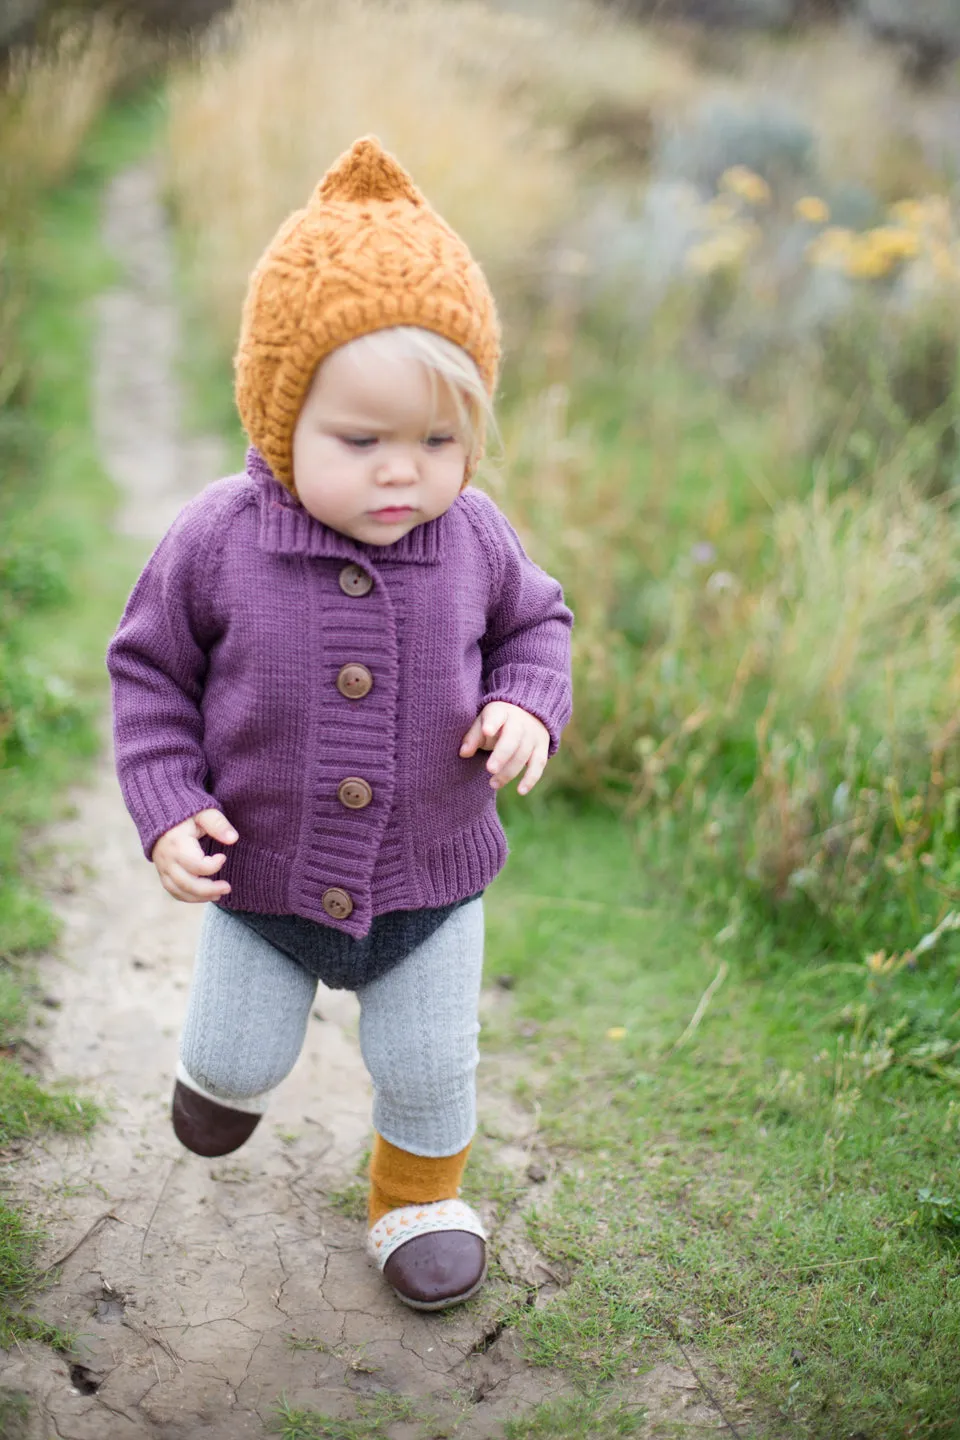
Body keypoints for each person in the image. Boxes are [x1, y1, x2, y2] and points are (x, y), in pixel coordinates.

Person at [107, 136, 573, 1312]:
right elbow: (149, 675)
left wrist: (528, 701)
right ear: (278, 418)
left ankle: (416, 1200)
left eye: (438, 442)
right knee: (233, 1066)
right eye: (360, 442)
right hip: (260, 882)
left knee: (428, 1065)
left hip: (432, 879)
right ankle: (219, 1070)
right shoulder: (219, 537)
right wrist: (168, 808)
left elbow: (538, 625)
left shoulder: (474, 536)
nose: (402, 474)